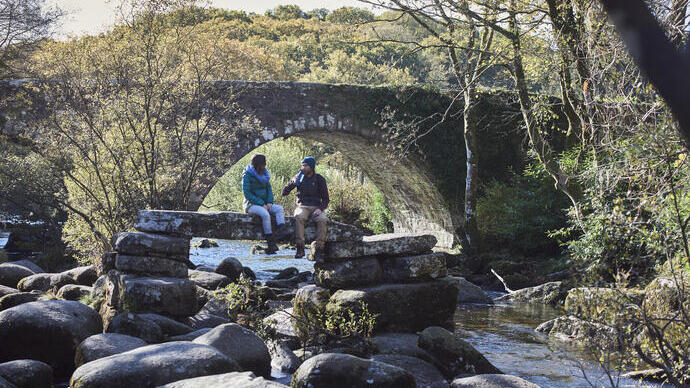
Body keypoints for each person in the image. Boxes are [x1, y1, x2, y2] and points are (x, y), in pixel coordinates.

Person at [282, 156, 329, 260]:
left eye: (305, 165)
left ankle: (318, 250)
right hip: (302, 205)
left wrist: (320, 209)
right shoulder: (299, 177)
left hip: (317, 207)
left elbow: (326, 199)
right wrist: (292, 182)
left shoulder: (319, 179)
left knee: (322, 219)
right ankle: (300, 248)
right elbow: (284, 192)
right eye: (302, 165)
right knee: (299, 216)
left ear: (311, 166)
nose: (303, 167)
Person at [243, 154, 287, 254]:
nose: (264, 167)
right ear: (257, 164)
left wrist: (269, 202)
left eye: (264, 164)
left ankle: (280, 234)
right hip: (251, 204)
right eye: (262, 164)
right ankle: (271, 242)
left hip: (265, 204)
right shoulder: (247, 175)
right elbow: (247, 193)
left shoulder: (265, 175)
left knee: (279, 209)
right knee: (265, 214)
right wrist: (261, 203)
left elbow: (269, 190)